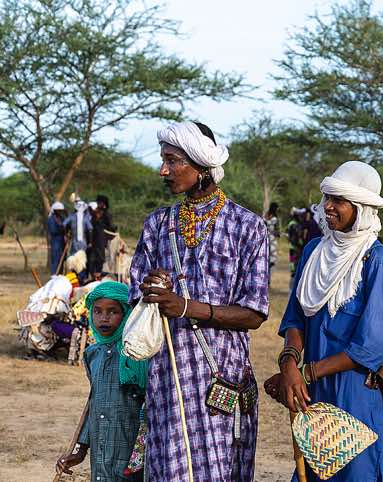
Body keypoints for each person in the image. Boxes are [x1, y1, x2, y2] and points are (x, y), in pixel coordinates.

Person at [128, 121, 269, 481]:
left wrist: (186, 307)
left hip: (220, 379)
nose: (164, 170)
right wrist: (150, 289)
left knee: (221, 468)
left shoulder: (247, 226)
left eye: (173, 161)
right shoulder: (157, 225)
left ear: (202, 165)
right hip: (169, 375)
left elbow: (253, 313)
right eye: (164, 160)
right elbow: (135, 292)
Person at [265, 161, 383, 481]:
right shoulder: (314, 250)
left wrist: (304, 373)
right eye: (326, 198)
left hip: (352, 393)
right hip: (310, 393)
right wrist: (289, 363)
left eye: (338, 200)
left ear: (362, 208)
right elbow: (296, 318)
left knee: (355, 472)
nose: (327, 206)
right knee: (311, 471)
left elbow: (370, 349)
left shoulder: (378, 263)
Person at [55, 282, 147, 481]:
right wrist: (80, 449)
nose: (103, 318)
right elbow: (94, 404)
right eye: (97, 311)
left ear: (127, 314)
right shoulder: (92, 355)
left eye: (112, 311)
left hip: (131, 450)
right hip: (100, 449)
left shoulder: (137, 355)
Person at [288, 207, 306, 288]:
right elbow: (296, 237)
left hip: (291, 246)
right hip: (295, 247)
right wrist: (300, 245)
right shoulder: (295, 224)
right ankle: (293, 284)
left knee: (292, 262)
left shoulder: (291, 223)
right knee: (295, 265)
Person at [48, 201, 67, 275]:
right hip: (56, 242)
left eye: (61, 211)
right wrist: (62, 228)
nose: (60, 212)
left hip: (62, 242)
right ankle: (54, 275)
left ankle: (60, 275)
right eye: (59, 210)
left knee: (61, 260)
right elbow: (53, 231)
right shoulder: (51, 219)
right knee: (55, 259)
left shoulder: (62, 218)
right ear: (55, 210)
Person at [264, 202, 281, 276]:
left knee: (269, 259)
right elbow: (275, 230)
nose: (278, 209)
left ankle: (268, 278)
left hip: (267, 238)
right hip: (271, 239)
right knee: (271, 260)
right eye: (277, 208)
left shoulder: (266, 215)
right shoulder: (273, 217)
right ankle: (268, 279)